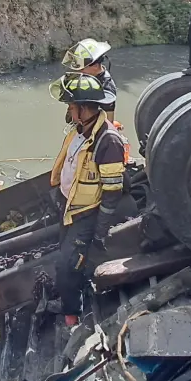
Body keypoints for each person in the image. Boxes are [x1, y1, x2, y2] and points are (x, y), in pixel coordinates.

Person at [46, 73, 127, 324]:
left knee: (67, 266)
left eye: (71, 107)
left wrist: (101, 230)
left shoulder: (108, 140)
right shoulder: (80, 130)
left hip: (86, 214)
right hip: (69, 208)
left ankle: (72, 315)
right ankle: (73, 296)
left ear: (83, 108)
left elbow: (112, 190)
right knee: (67, 258)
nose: (69, 111)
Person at [62, 38, 116, 120]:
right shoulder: (84, 77)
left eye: (82, 69)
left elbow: (108, 120)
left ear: (95, 66)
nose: (79, 71)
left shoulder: (107, 88)